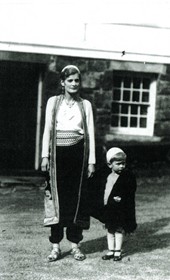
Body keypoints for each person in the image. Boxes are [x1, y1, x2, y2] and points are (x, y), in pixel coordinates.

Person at [41, 65, 95, 262]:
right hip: (57, 156)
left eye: (77, 80)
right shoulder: (53, 102)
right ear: (62, 82)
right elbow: (47, 130)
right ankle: (55, 246)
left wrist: (91, 161)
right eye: (70, 80)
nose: (74, 84)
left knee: (77, 200)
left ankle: (75, 245)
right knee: (56, 200)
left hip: (78, 156)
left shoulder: (85, 105)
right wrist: (44, 156)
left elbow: (91, 134)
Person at [89, 147, 137, 261]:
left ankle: (117, 251)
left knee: (118, 229)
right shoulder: (107, 176)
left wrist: (121, 198)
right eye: (118, 164)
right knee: (110, 230)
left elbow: (130, 191)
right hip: (109, 208)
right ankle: (111, 250)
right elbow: (102, 190)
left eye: (123, 164)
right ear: (110, 165)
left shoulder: (127, 177)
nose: (122, 166)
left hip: (120, 209)